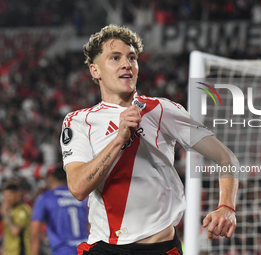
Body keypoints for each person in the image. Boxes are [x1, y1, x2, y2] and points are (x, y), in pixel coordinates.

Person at [60, 24, 239, 255]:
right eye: (115, 58)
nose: (127, 64)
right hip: (104, 248)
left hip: (160, 248)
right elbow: (77, 188)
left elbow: (227, 158)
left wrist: (226, 206)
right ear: (95, 71)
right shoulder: (78, 121)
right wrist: (119, 139)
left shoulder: (162, 109)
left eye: (132, 57)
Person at [30, 163, 88, 255]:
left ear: (51, 178)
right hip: (85, 249)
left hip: (62, 250)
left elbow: (35, 232)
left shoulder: (45, 198)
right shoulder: (82, 197)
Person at [1, 181, 32, 255]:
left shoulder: (23, 210)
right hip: (9, 252)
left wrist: (6, 215)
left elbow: (15, 231)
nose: (7, 199)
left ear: (17, 194)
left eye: (9, 196)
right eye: (5, 196)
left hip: (20, 252)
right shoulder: (10, 210)